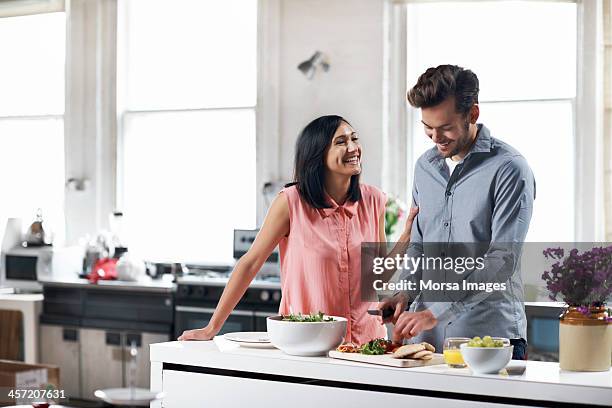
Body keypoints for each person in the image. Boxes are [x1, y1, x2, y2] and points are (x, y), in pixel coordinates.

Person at [179, 115, 418, 344]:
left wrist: (406, 237)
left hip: (367, 343)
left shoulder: (373, 199)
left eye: (354, 139)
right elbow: (250, 263)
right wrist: (212, 328)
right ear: (317, 154)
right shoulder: (291, 202)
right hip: (309, 343)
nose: (353, 147)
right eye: (341, 142)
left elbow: (374, 277)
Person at [379, 65, 535, 359]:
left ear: (472, 115)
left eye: (446, 127)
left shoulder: (510, 169)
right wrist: (405, 293)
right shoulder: (424, 168)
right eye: (427, 126)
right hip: (427, 340)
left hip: (489, 339)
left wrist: (437, 311)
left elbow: (502, 261)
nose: (435, 137)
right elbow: (419, 245)